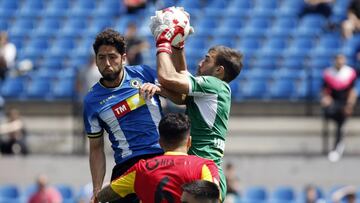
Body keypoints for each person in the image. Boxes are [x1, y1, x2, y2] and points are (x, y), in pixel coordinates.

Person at [149, 7, 243, 201]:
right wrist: (178, 45)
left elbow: (167, 76)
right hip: (201, 172)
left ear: (219, 70)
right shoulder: (214, 89)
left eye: (207, 59)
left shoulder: (214, 85)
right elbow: (182, 93)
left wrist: (164, 41)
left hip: (203, 175)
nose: (200, 62)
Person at [83, 28, 164, 202]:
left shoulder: (144, 73)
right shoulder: (91, 101)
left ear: (123, 57)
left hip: (161, 155)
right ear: (96, 61)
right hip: (127, 165)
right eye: (101, 58)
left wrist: (159, 89)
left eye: (112, 57)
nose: (107, 63)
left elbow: (180, 97)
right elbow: (96, 148)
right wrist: (97, 189)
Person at [96, 113, 220, 203]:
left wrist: (97, 194)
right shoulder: (204, 166)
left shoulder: (141, 169)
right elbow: (214, 198)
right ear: (189, 141)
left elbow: (105, 195)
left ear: (160, 142)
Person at [321, 54, 357, 162]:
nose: (340, 62)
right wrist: (326, 98)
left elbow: (352, 91)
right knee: (336, 117)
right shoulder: (328, 73)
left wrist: (350, 104)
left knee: (341, 118)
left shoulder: (350, 73)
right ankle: (338, 141)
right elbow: (324, 90)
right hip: (333, 103)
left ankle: (337, 146)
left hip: (344, 103)